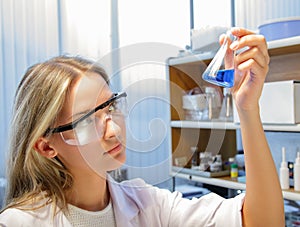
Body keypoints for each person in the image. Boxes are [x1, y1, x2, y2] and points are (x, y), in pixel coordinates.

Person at [0, 27, 284, 227]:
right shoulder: (18, 222)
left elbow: (262, 221)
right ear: (46, 146)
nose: (113, 130)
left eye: (111, 106)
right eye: (87, 119)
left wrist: (246, 109)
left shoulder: (147, 205)